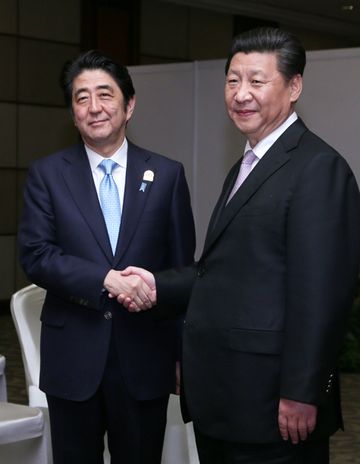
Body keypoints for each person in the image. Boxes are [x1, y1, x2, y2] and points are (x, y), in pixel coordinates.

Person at [119, 28, 360, 463]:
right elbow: (225, 270)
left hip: (276, 408)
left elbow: (322, 294)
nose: (240, 94)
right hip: (227, 400)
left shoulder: (318, 168)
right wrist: (157, 283)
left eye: (256, 81)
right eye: (232, 81)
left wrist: (302, 391)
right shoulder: (247, 164)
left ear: (294, 86)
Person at [18, 50, 195, 464]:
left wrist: (182, 355)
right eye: (81, 98)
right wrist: (106, 279)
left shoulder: (167, 175)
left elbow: (181, 271)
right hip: (73, 356)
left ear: (129, 104)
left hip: (145, 356)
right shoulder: (48, 174)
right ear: (72, 111)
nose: (94, 107)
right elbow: (36, 254)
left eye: (104, 94)